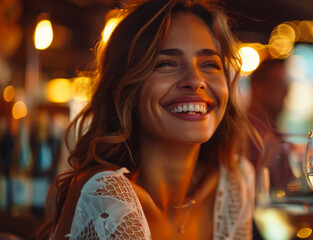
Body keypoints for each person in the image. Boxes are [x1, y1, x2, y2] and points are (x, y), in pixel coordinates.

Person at [36, 0, 256, 239]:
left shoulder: (235, 182)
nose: (196, 80)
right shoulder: (108, 196)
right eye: (166, 63)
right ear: (126, 86)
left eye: (209, 64)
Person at [246, 58, 289, 167]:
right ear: (257, 88)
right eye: (278, 84)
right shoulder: (247, 136)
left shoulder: (274, 133)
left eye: (286, 85)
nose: (285, 92)